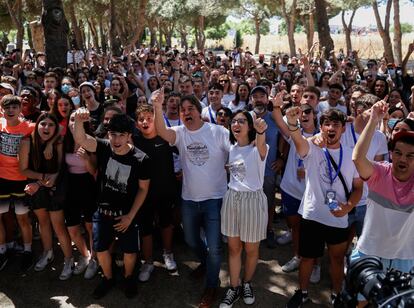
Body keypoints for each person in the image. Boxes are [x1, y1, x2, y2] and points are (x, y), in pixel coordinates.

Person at [153, 91, 230, 308]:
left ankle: (211, 286)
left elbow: (236, 150)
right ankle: (206, 263)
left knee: (215, 247)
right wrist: (158, 107)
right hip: (189, 199)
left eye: (190, 109)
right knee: (191, 240)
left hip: (215, 199)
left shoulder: (218, 131)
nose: (186, 113)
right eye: (182, 110)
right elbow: (161, 131)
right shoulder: (180, 133)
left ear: (199, 111)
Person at [285, 108, 363, 308]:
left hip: (338, 217)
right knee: (307, 258)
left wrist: (349, 207)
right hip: (312, 215)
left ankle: (337, 294)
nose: (331, 128)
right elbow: (298, 140)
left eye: (336, 124)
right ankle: (302, 293)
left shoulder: (352, 155)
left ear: (343, 129)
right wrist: (294, 124)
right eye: (327, 124)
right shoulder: (312, 148)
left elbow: (358, 188)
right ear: (321, 127)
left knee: (337, 259)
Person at [73, 109, 150, 299]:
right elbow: (81, 139)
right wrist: (78, 119)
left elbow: (143, 189)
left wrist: (130, 216)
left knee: (130, 251)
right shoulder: (104, 147)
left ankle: (128, 277)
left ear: (129, 136)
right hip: (102, 211)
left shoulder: (141, 159)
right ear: (108, 134)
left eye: (121, 135)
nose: (116, 140)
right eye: (113, 134)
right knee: (100, 249)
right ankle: (108, 278)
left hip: (127, 214)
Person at [351, 100, 414, 307]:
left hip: (404, 259)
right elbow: (358, 158)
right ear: (391, 154)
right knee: (358, 303)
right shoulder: (380, 172)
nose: (402, 159)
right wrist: (373, 121)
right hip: (370, 252)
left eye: (410, 156)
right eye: (398, 153)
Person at [219, 110, 268, 308]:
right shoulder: (231, 148)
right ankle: (234, 286)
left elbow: (262, 145)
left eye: (241, 121)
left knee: (251, 248)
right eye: (234, 121)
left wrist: (261, 132)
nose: (236, 124)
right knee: (233, 247)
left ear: (250, 126)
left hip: (253, 200)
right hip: (232, 198)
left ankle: (247, 283)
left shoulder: (259, 148)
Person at [19, 112, 75, 280]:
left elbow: (57, 171)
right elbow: (23, 169)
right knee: (43, 223)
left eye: (51, 125)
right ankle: (48, 252)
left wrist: (50, 143)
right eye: (43, 124)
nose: (46, 127)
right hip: (38, 185)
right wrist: (39, 181)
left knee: (58, 226)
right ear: (37, 125)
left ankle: (68, 260)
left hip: (53, 187)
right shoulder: (27, 141)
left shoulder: (58, 142)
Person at [134, 104, 178, 282]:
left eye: (149, 118)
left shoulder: (166, 139)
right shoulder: (134, 142)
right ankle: (148, 261)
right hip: (143, 195)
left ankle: (168, 253)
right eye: (141, 119)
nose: (145, 122)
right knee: (146, 228)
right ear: (137, 124)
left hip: (166, 191)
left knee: (166, 224)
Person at [0, 95, 34, 272]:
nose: (10, 110)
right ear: (2, 110)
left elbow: (52, 133)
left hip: (21, 180)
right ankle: (3, 250)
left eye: (14, 107)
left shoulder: (29, 127)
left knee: (23, 218)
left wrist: (51, 146)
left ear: (20, 109)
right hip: (1, 179)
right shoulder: (0, 124)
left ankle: (28, 251)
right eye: (7, 107)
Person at [63, 111, 99, 279]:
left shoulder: (91, 142)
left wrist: (86, 159)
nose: (74, 122)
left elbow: (94, 172)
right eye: (71, 119)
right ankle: (84, 255)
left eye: (78, 119)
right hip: (70, 186)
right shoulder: (64, 141)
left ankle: (94, 259)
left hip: (88, 186)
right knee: (72, 228)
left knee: (91, 227)